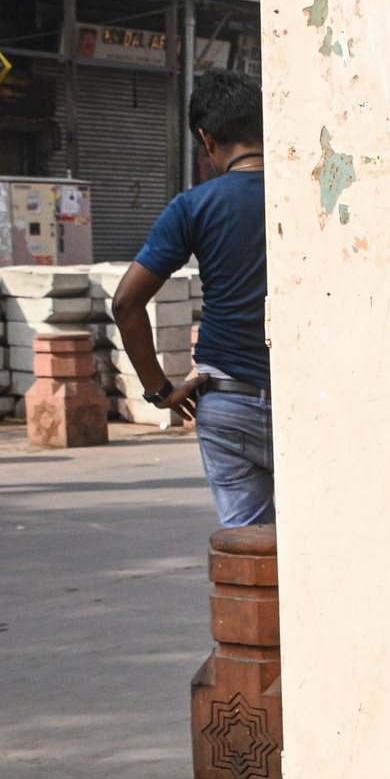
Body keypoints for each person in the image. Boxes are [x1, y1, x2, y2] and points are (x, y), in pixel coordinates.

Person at [114, 70, 272, 526]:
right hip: (309, 398)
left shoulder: (193, 206)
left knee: (247, 550)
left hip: (226, 400)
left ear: (207, 139)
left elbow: (126, 303)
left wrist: (159, 390)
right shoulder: (312, 197)